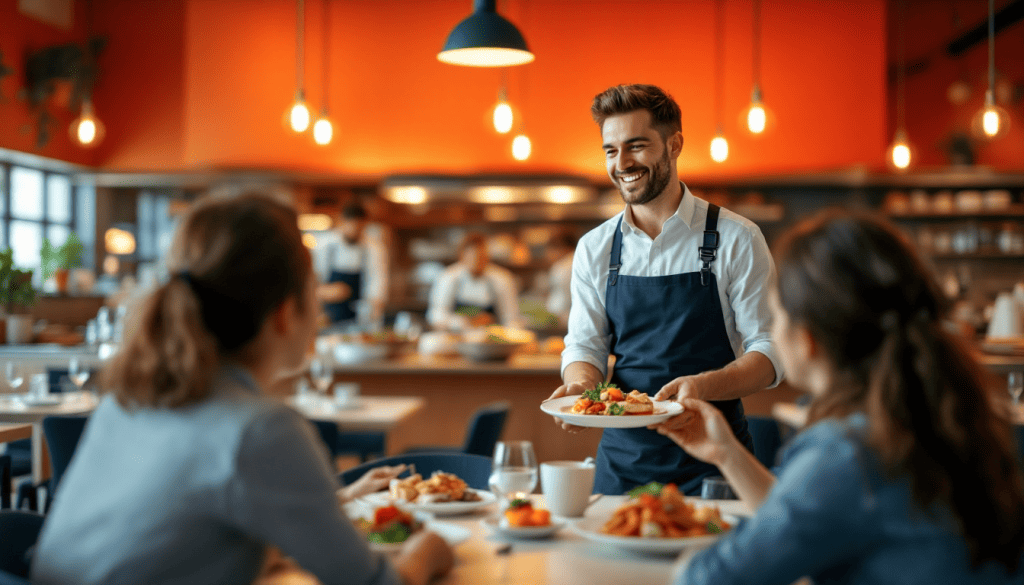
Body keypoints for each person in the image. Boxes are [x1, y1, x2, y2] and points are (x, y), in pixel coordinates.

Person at [31, 194, 453, 585]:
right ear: (285, 313)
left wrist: (337, 502)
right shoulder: (261, 429)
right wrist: (427, 551)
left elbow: (186, 537)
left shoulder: (130, 401)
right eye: (313, 288)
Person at [663, 210, 1024, 585]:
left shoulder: (845, 449)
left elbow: (711, 579)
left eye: (778, 314)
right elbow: (809, 516)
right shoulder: (933, 416)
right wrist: (727, 454)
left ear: (808, 340)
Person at [549, 84, 782, 495]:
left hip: (713, 463)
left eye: (636, 146)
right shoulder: (595, 248)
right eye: (610, 150)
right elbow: (585, 346)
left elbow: (768, 352)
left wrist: (704, 386)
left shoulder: (738, 238)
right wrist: (582, 387)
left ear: (674, 145)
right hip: (622, 465)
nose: (622, 163)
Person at [427, 233, 522, 331]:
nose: (476, 261)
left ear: (487, 256)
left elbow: (512, 319)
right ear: (462, 256)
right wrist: (465, 322)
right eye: (471, 257)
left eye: (480, 257)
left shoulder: (502, 279)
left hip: (491, 338)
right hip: (456, 336)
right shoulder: (448, 277)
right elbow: (435, 316)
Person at [315, 201, 389, 327]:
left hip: (360, 320)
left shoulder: (374, 249)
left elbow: (378, 283)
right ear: (341, 221)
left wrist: (375, 306)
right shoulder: (325, 246)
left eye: (359, 227)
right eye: (351, 225)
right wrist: (326, 292)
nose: (355, 231)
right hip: (327, 318)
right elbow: (313, 283)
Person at [545, 231, 577, 327]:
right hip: (562, 316)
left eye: (554, 247)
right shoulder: (570, 261)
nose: (549, 252)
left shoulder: (566, 264)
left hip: (565, 317)